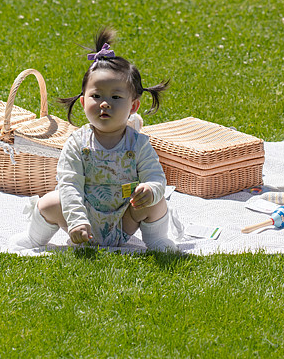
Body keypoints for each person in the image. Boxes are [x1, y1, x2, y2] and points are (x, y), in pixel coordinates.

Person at [10, 27, 177, 252]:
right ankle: (34, 239)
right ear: (82, 102)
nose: (104, 103)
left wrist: (150, 189)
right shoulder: (77, 143)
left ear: (133, 106)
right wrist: (77, 220)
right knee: (50, 201)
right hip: (82, 219)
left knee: (158, 202)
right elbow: (70, 184)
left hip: (124, 218)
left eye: (115, 97)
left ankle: (157, 242)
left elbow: (156, 176)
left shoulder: (138, 144)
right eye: (96, 96)